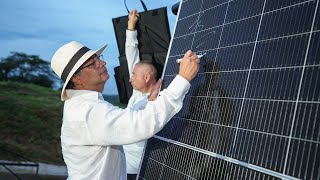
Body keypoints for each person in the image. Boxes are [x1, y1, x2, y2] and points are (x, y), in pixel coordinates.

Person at [50, 35, 200, 180]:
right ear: (77, 78)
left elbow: (122, 119)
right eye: (92, 63)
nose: (102, 64)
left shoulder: (83, 106)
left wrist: (147, 100)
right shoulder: (87, 112)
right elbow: (142, 124)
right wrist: (183, 79)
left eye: (98, 59)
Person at [123, 9, 158, 180]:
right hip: (123, 167)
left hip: (139, 170)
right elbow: (131, 54)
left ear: (146, 77)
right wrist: (131, 27)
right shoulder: (137, 91)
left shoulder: (157, 101)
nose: (130, 79)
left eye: (134, 76)